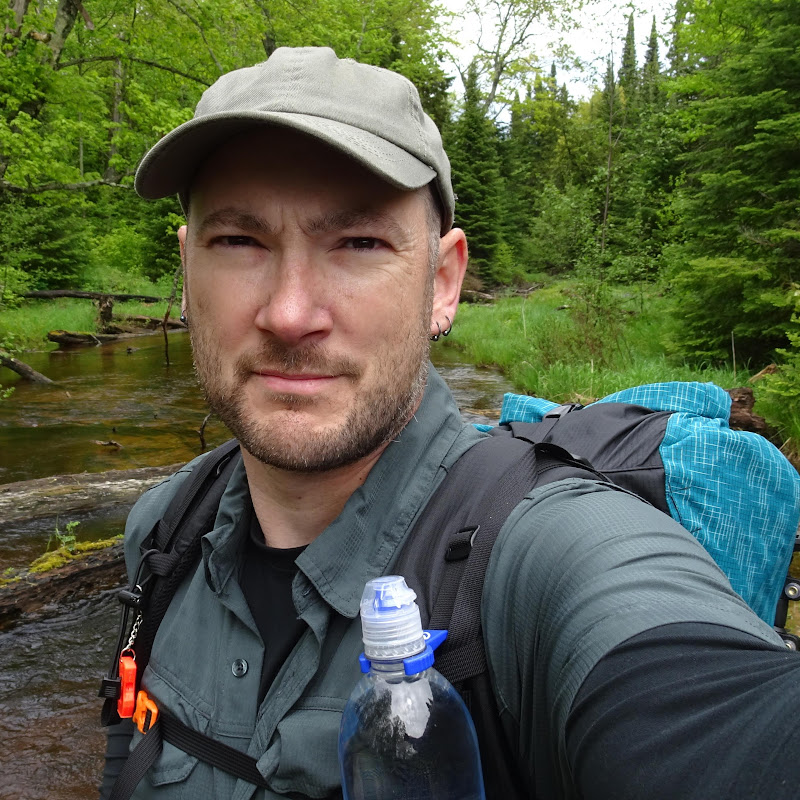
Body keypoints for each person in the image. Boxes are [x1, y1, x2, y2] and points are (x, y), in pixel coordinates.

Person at [101, 46, 800, 799]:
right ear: (187, 270)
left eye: (359, 243)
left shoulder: (544, 556)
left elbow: (717, 714)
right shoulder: (164, 531)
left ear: (442, 282)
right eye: (239, 242)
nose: (290, 314)